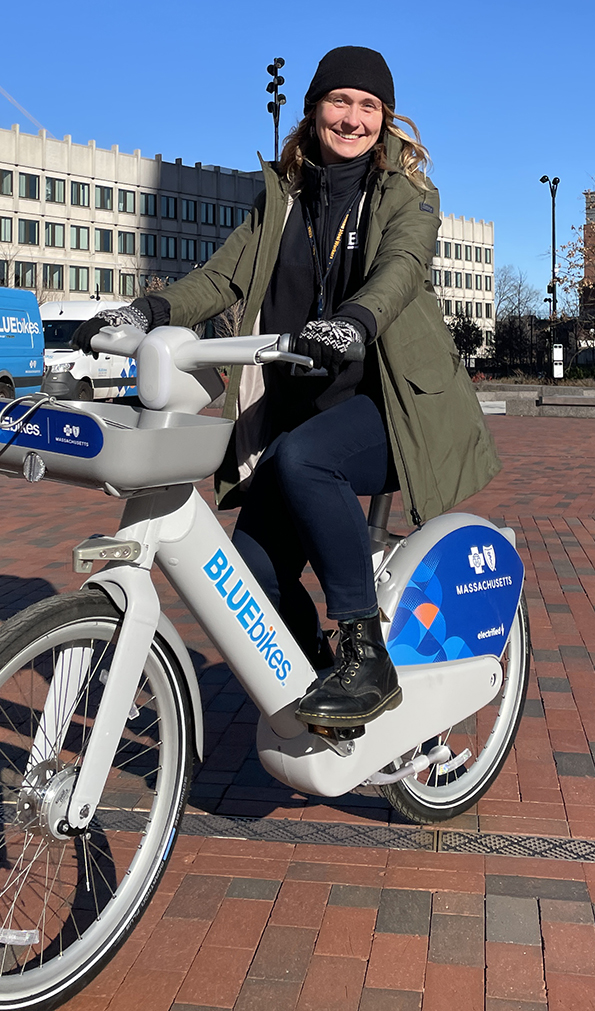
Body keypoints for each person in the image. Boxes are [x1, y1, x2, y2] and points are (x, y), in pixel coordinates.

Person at [74, 46, 501, 728]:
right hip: (301, 409)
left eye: (368, 106)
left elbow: (400, 268)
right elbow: (220, 278)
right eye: (340, 101)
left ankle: (368, 656)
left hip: (388, 406)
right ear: (313, 110)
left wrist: (352, 323)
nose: (353, 118)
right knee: (248, 579)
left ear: (386, 119)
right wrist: (145, 312)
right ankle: (323, 682)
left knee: (308, 462)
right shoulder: (284, 198)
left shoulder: (406, 197)